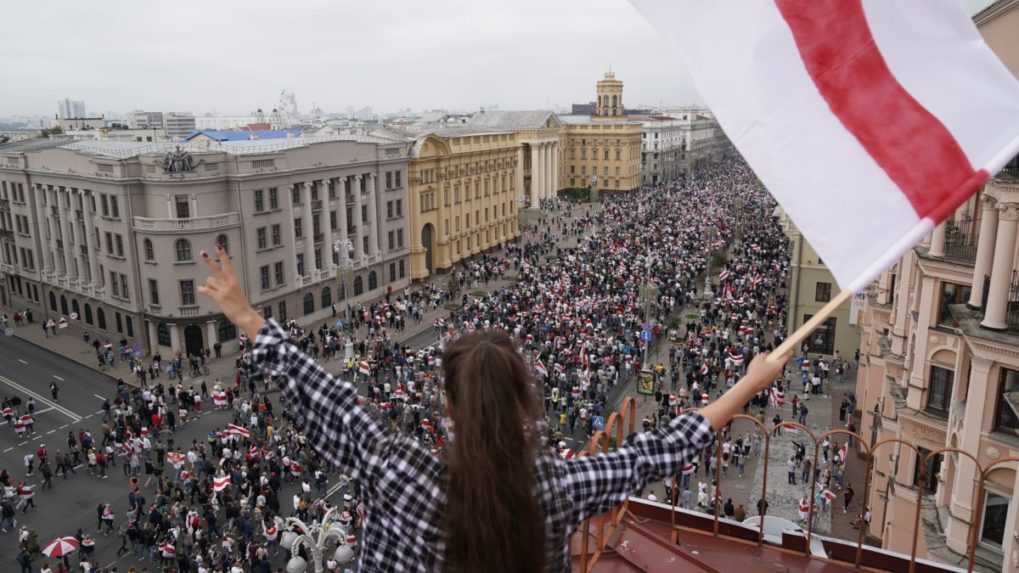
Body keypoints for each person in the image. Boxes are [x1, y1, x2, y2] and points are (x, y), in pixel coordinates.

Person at [197, 245, 788, 572]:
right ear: (524, 401)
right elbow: (657, 452)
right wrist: (748, 382)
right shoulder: (555, 485)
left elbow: (326, 399)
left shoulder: (397, 467)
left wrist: (248, 318)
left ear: (448, 405)